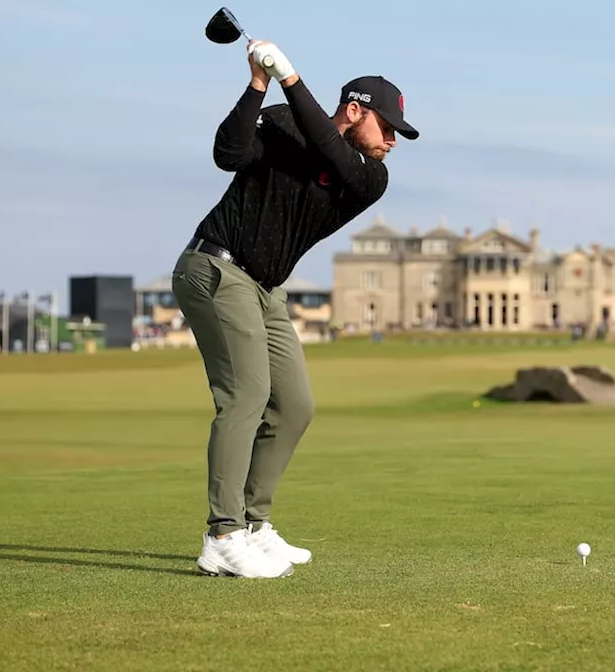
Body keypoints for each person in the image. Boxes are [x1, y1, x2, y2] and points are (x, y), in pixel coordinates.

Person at [171, 39, 419, 578]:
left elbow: (331, 150)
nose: (394, 142)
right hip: (217, 268)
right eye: (389, 128)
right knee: (247, 395)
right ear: (355, 111)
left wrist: (288, 75)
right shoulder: (282, 123)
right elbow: (228, 155)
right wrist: (258, 85)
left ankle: (255, 526)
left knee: (295, 405)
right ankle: (223, 534)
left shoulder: (369, 177)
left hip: (266, 289)